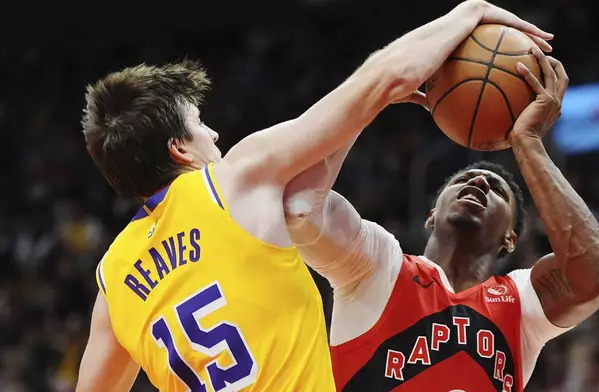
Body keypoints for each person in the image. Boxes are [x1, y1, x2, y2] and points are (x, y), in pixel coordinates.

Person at [75, 1, 553, 391]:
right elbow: (386, 76)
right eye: (201, 127)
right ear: (179, 149)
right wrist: (467, 13)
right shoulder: (233, 180)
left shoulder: (112, 286)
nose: (216, 134)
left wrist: (369, 104)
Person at [284, 45, 599, 391]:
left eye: (497, 189)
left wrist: (528, 143)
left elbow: (596, 277)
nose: (478, 181)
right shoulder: (379, 264)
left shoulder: (521, 305)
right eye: (462, 180)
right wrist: (372, 95)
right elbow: (300, 205)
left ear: (510, 238)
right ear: (432, 214)